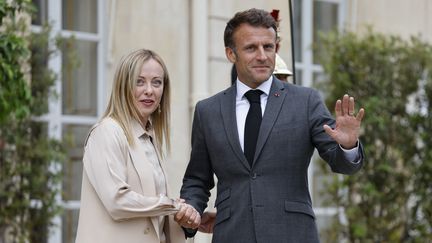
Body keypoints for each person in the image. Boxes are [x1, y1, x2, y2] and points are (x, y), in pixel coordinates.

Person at [176, 8, 365, 242]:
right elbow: (197, 179)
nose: (263, 56)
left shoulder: (306, 101)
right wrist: (191, 211)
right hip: (232, 235)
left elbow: (343, 165)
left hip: (293, 234)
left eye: (268, 47)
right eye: (251, 48)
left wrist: (348, 146)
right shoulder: (208, 111)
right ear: (231, 54)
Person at [75, 49, 198, 243]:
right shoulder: (107, 132)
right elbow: (117, 201)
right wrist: (171, 205)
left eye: (156, 82)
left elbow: (153, 218)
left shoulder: (149, 137)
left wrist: (186, 216)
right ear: (123, 87)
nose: (149, 90)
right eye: (139, 81)